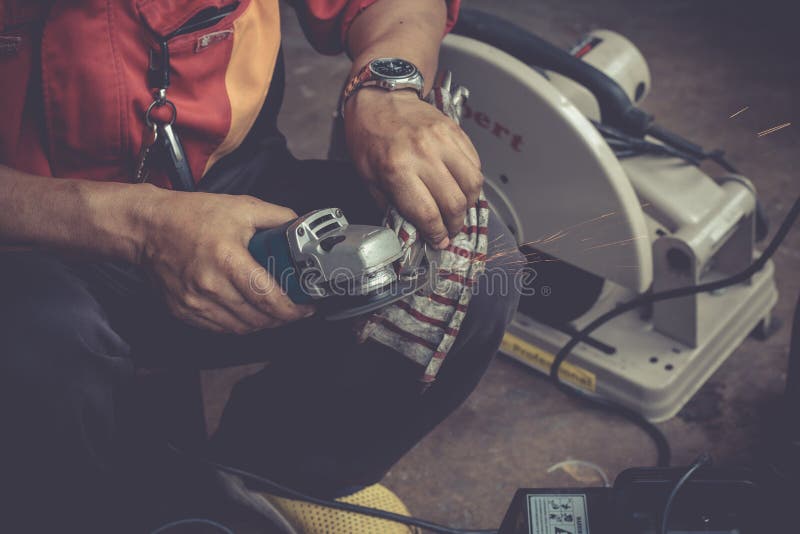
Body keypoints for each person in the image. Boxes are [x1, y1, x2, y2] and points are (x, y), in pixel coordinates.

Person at [0, 0, 523, 531]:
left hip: (225, 180)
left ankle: (276, 478)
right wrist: (144, 225)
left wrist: (386, 86)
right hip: (31, 232)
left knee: (468, 263)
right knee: (39, 353)